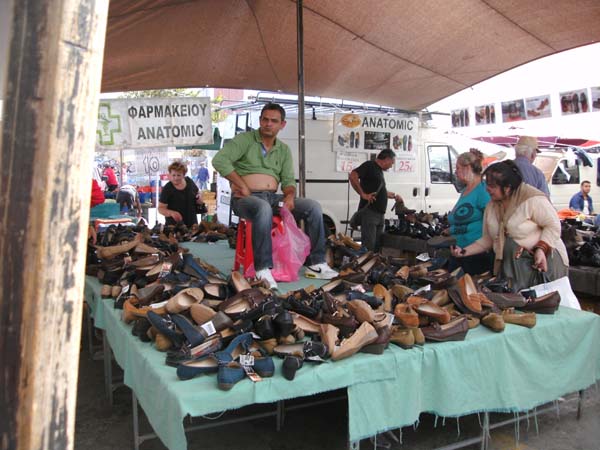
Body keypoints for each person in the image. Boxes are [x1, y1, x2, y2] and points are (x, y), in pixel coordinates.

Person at [212, 103, 338, 289]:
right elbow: (219, 160)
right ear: (260, 120)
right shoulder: (245, 140)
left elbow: (287, 180)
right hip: (245, 199)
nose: (268, 124)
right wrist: (241, 185)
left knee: (312, 206)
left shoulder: (283, 149)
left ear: (282, 125)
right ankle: (262, 268)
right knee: (262, 208)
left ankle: (316, 263)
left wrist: (289, 195)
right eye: (265, 119)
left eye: (274, 121)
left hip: (272, 197)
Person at [451, 160, 568, 292]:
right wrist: (463, 252)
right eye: (487, 184)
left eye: (492, 186)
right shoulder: (492, 206)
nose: (487, 189)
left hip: (543, 264)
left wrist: (541, 249)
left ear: (507, 188)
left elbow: (553, 225)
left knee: (543, 303)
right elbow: (488, 239)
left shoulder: (531, 199)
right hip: (514, 267)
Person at [446, 149, 494, 275]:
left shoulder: (482, 191)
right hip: (459, 252)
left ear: (467, 168)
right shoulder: (466, 190)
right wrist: (450, 230)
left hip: (475, 254)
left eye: (458, 168)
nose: (456, 172)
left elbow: (491, 219)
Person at [348, 149, 403, 251]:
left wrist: (391, 195)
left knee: (377, 246)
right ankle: (365, 266)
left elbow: (376, 189)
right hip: (370, 213)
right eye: (392, 163)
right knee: (369, 247)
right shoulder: (369, 165)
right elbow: (353, 176)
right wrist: (363, 194)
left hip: (379, 215)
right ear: (386, 159)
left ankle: (375, 265)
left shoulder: (379, 171)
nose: (391, 166)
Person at [158, 160, 203, 227]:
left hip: (192, 223)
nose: (176, 178)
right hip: (174, 226)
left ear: (183, 175)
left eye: (179, 175)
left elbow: (198, 193)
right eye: (173, 175)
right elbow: (161, 208)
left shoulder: (189, 182)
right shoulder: (167, 188)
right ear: (170, 174)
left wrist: (199, 198)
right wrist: (171, 213)